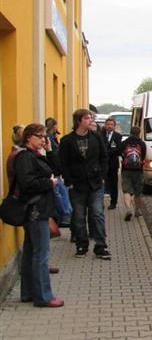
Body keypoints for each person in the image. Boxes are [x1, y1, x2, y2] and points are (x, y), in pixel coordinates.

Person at [14, 123, 64, 307]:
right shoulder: (25, 157)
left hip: (38, 209)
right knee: (41, 254)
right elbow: (27, 183)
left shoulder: (36, 156)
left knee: (30, 252)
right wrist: (48, 183)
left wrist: (50, 151)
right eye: (40, 136)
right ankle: (43, 296)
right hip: (36, 210)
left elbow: (56, 169)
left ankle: (28, 293)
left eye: (45, 136)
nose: (44, 139)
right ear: (29, 137)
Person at [59, 109, 111, 260]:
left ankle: (101, 246)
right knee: (79, 216)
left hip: (95, 183)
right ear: (79, 121)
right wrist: (69, 181)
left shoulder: (96, 137)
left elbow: (104, 158)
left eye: (90, 118)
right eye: (87, 118)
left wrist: (102, 176)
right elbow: (64, 163)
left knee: (97, 214)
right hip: (77, 184)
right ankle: (81, 245)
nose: (90, 120)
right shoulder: (67, 140)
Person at [45, 118, 72, 228]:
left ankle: (67, 215)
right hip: (53, 170)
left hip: (56, 169)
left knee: (61, 192)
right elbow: (54, 155)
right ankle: (66, 215)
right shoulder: (50, 139)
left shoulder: (53, 138)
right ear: (54, 126)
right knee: (60, 193)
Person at [119, 126, 146, 221]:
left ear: (130, 133)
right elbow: (143, 157)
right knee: (137, 192)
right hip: (138, 171)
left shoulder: (124, 143)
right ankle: (137, 211)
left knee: (126, 191)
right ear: (139, 133)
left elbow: (119, 153)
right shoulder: (142, 143)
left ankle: (128, 209)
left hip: (126, 170)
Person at [101, 118, 123, 210]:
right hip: (102, 164)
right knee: (102, 183)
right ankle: (100, 203)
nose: (109, 126)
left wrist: (107, 153)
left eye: (111, 124)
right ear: (105, 125)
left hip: (113, 163)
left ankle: (113, 202)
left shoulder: (118, 136)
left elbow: (118, 150)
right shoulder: (100, 135)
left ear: (114, 126)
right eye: (108, 124)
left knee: (113, 184)